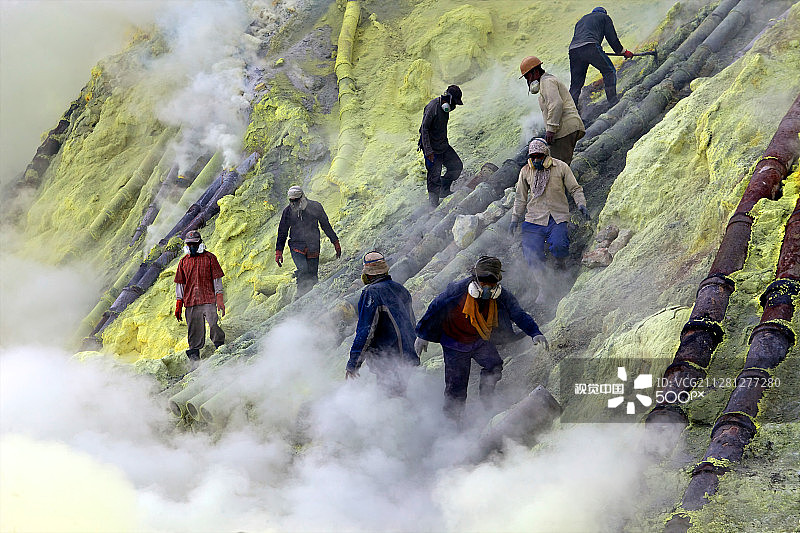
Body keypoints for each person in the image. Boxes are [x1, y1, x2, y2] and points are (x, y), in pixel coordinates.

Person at [415, 256, 547, 421]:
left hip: (480, 339)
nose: (486, 288)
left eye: (491, 284)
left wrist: (534, 332)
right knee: (456, 386)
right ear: (474, 279)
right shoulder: (456, 291)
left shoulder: (500, 295)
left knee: (494, 366)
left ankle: (487, 400)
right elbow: (434, 309)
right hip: (454, 343)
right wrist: (422, 335)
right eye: (483, 283)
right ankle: (452, 422)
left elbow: (517, 313)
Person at [508, 139, 589, 304]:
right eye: (533, 157)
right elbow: (520, 198)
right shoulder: (525, 171)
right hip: (534, 219)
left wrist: (581, 204)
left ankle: (561, 265)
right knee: (531, 253)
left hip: (557, 216)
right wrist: (515, 218)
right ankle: (543, 287)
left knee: (559, 244)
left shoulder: (561, 167)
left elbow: (575, 188)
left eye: (539, 156)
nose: (536, 160)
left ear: (546, 155)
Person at [345, 251, 420, 395]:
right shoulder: (401, 289)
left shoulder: (371, 293)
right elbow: (412, 323)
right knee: (401, 395)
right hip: (408, 356)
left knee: (391, 399)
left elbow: (365, 331)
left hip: (389, 361)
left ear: (368, 274)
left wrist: (353, 364)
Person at [275, 185, 341, 296]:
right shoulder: (288, 211)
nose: (293, 204)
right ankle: (300, 297)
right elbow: (282, 231)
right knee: (303, 270)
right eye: (291, 201)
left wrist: (335, 242)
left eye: (295, 201)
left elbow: (325, 225)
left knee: (313, 274)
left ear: (302, 197)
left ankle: (313, 299)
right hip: (296, 246)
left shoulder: (316, 207)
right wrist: (279, 251)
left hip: (313, 245)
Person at [519, 56, 585, 165]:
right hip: (569, 127)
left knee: (556, 167)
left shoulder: (547, 82)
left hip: (565, 129)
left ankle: (568, 182)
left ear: (535, 71)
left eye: (527, 77)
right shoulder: (547, 81)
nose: (528, 81)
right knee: (561, 165)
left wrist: (550, 129)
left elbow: (556, 104)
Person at [174, 230, 226, 362]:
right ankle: (194, 360)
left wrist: (219, 297)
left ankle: (220, 347)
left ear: (200, 244)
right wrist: (179, 303)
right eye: (189, 244)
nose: (191, 247)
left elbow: (217, 279)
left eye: (194, 244)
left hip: (208, 299)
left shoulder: (210, 258)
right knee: (194, 331)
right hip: (191, 301)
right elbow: (180, 283)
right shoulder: (183, 262)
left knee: (214, 324)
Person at [568, 6, 633, 107]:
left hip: (573, 51)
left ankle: (572, 115)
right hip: (590, 47)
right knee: (609, 71)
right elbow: (612, 39)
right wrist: (623, 52)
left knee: (575, 85)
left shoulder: (581, 21)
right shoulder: (604, 17)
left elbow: (580, 38)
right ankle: (613, 102)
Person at [418, 85, 464, 207]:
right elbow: (424, 129)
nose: (454, 106)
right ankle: (433, 205)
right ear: (448, 99)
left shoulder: (445, 109)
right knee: (434, 176)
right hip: (432, 149)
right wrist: (428, 151)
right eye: (454, 103)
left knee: (456, 166)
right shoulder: (432, 107)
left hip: (443, 145)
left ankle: (444, 190)